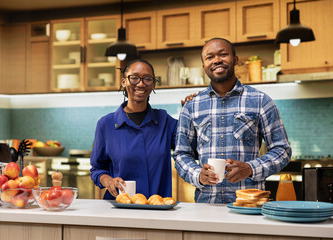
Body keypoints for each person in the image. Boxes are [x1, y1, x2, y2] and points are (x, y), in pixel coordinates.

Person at [173, 37, 292, 203]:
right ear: (204, 66)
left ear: (235, 60)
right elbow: (181, 153)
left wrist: (250, 168)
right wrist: (197, 174)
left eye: (223, 54)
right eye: (209, 57)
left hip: (249, 205)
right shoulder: (191, 106)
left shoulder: (261, 101)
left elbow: (282, 149)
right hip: (207, 205)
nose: (217, 60)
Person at [90, 59, 193, 200]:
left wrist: (193, 110)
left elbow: (192, 146)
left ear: (153, 84)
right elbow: (97, 169)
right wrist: (108, 181)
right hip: (119, 208)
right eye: (134, 78)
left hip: (156, 208)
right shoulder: (106, 124)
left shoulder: (165, 121)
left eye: (147, 79)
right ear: (124, 82)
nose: (141, 83)